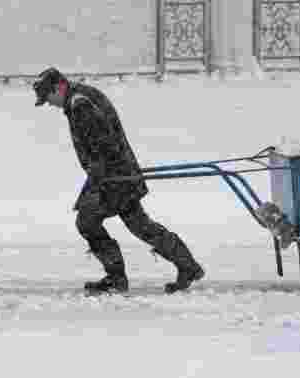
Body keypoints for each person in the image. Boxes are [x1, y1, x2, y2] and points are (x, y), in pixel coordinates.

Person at [32, 67, 204, 294]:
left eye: (48, 97)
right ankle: (186, 265)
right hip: (116, 173)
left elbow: (104, 142)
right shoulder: (81, 97)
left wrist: (101, 177)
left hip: (113, 177)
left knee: (88, 222)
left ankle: (117, 278)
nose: (50, 104)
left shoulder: (80, 104)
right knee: (139, 225)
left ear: (59, 87)